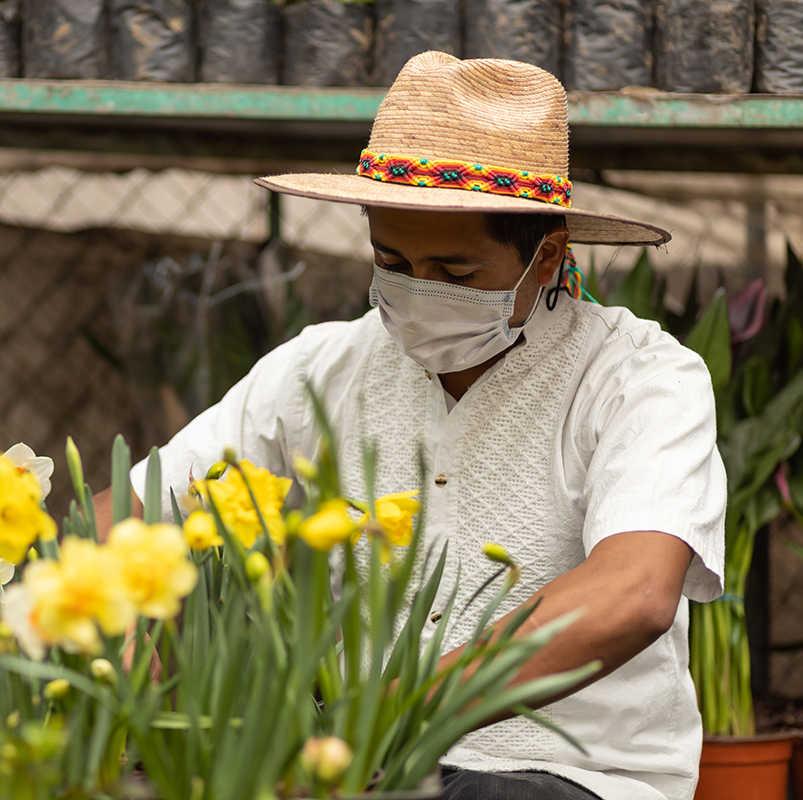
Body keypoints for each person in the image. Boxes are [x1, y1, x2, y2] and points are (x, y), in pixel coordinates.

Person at [99, 52, 725, 800]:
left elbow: (636, 589)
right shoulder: (322, 368)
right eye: (391, 260)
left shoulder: (638, 378)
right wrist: (133, 629)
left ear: (550, 256)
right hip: (363, 773)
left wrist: (407, 710)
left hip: (572, 776)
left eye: (456, 275)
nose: (417, 293)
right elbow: (128, 507)